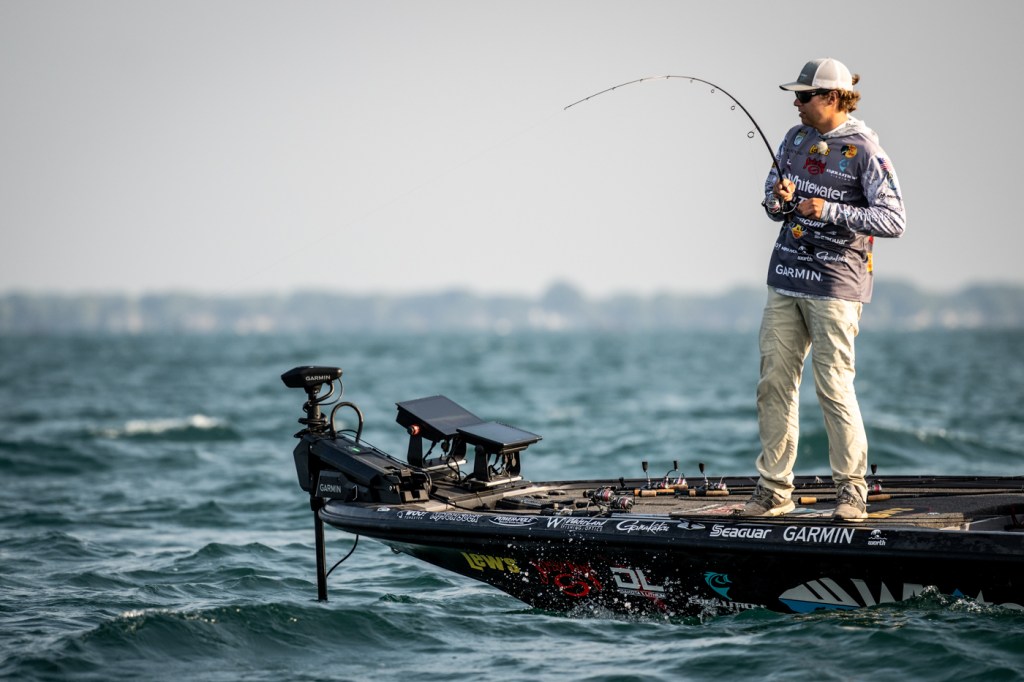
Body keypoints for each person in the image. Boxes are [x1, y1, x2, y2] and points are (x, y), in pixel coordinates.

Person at [743, 58, 906, 521]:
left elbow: (894, 219)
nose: (795, 104)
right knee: (773, 384)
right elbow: (773, 199)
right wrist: (779, 200)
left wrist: (828, 209)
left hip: (836, 287)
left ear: (832, 98)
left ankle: (851, 491)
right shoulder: (794, 139)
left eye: (804, 95)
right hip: (785, 278)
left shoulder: (866, 150)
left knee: (834, 387)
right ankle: (774, 491)